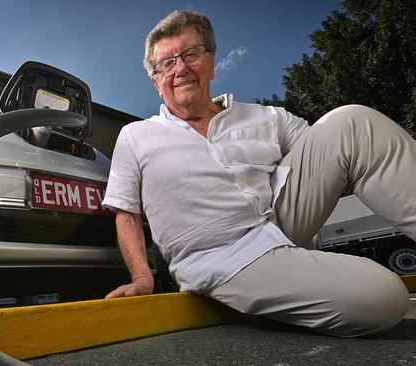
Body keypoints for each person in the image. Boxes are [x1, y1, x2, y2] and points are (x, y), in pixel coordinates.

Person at [101, 10, 414, 337]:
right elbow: (127, 214)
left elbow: (330, 152)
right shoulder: (135, 136)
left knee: (354, 124)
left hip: (280, 220)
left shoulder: (265, 116)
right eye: (166, 63)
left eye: (190, 54)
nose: (180, 68)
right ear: (155, 80)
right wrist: (142, 278)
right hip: (221, 258)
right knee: (384, 297)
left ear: (210, 59)